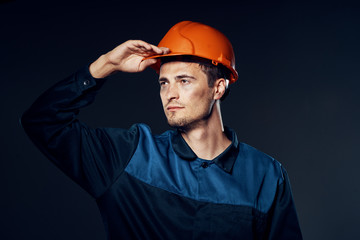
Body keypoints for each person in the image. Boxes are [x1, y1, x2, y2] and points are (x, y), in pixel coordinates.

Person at [21, 21, 302, 239]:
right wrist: (106, 64)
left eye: (184, 81)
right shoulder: (128, 156)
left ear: (218, 88)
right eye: (164, 83)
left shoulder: (266, 175)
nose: (170, 94)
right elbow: (42, 121)